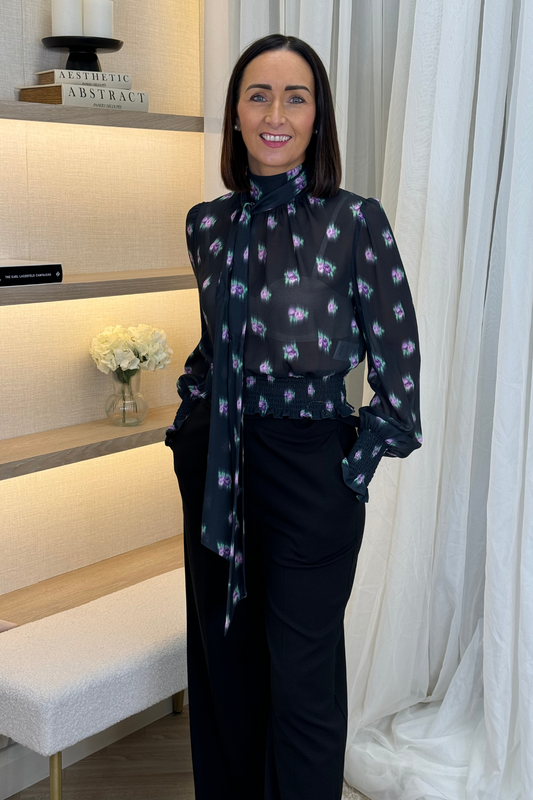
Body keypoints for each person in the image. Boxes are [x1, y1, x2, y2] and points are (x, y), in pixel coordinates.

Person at [165, 32, 422, 800]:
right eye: (258, 95)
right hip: (216, 464)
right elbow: (214, 348)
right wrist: (187, 429)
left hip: (312, 468)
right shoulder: (206, 223)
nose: (275, 114)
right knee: (225, 670)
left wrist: (351, 466)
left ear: (317, 117)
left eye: (294, 97)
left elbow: (399, 371)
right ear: (234, 114)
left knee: (303, 684)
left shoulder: (354, 220)